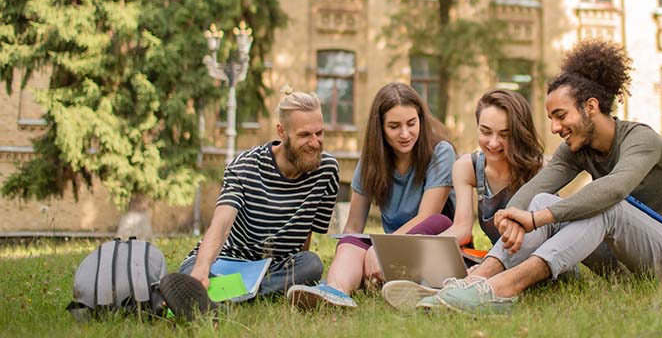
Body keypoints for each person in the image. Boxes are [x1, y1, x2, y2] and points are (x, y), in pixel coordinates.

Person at [418, 39, 662, 314]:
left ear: (590, 107)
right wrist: (513, 214)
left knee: (606, 207)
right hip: (622, 268)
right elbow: (534, 191)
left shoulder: (641, 139)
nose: (554, 127)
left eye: (560, 116)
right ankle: (475, 281)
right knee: (541, 199)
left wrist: (536, 219)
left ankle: (501, 290)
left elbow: (613, 190)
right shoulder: (576, 149)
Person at [159, 88, 340, 319]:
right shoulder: (245, 165)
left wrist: (297, 274)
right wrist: (202, 270)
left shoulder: (327, 170)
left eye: (319, 133)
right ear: (282, 132)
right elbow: (221, 224)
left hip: (271, 268)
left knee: (311, 265)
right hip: (227, 261)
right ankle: (208, 290)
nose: (315, 143)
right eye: (305, 135)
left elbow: (305, 235)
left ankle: (214, 299)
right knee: (193, 270)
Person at [289, 82, 455, 309]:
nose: (405, 134)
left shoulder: (441, 152)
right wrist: (351, 251)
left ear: (421, 121)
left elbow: (428, 218)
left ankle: (395, 279)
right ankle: (334, 291)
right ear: (381, 128)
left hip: (432, 247)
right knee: (350, 240)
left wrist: (380, 248)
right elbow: (353, 225)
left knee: (438, 221)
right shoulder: (371, 162)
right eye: (394, 126)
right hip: (392, 252)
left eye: (411, 123)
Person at [381, 88, 544, 309]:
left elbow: (546, 233)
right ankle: (443, 289)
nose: (493, 143)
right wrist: (416, 251)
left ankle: (457, 290)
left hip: (536, 262)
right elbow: (462, 230)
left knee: (477, 270)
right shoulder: (467, 167)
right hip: (498, 261)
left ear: (519, 133)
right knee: (453, 259)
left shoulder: (537, 170)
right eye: (486, 132)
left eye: (504, 135)